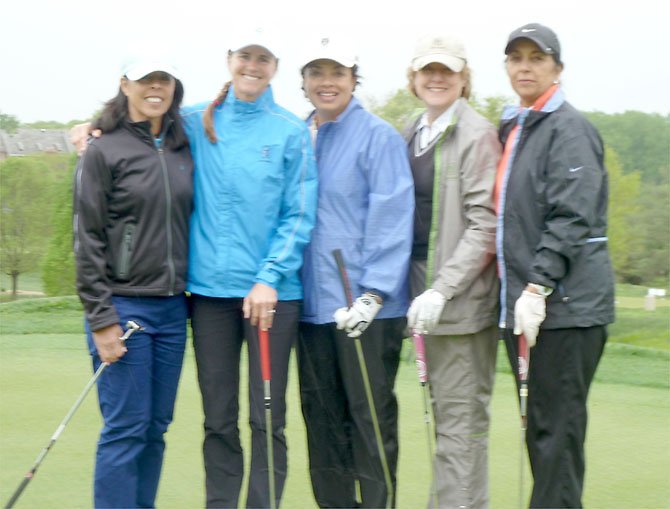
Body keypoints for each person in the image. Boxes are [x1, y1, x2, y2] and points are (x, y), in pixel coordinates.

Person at [185, 35, 317, 508]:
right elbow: (138, 124)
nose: (253, 66)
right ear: (229, 61)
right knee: (218, 418)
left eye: (263, 59)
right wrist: (90, 127)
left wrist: (269, 277)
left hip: (272, 297)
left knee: (266, 417)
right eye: (245, 56)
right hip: (208, 295)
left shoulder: (289, 130)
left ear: (275, 66)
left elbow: (298, 213)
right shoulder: (194, 119)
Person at [495, 23, 614, 508]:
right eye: (516, 58)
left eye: (536, 58)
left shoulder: (568, 129)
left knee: (556, 437)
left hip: (565, 309)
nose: (525, 66)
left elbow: (571, 215)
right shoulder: (519, 127)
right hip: (532, 308)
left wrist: (537, 285)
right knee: (542, 430)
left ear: (556, 69)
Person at [295, 38, 414, 508]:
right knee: (322, 423)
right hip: (309, 307)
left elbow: (392, 215)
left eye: (337, 73)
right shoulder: (296, 134)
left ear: (354, 79)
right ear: (303, 81)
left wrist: (376, 293)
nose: (327, 82)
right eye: (317, 72)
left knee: (369, 422)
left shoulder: (377, 136)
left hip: (365, 307)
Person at [73, 57, 193, 508]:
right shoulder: (103, 150)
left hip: (172, 308)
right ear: (125, 84)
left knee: (155, 428)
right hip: (122, 307)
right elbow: (86, 240)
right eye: (145, 79)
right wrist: (101, 320)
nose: (155, 87)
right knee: (125, 428)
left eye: (163, 79)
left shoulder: (184, 143)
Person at [403, 35, 501, 509]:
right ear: (414, 79)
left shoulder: (477, 133)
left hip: (459, 305)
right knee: (443, 423)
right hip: (418, 296)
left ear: (464, 79)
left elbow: (485, 222)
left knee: (460, 428)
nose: (437, 79)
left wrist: (441, 289)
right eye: (428, 71)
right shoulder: (410, 129)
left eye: (448, 71)